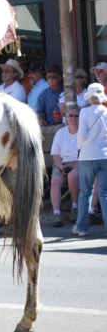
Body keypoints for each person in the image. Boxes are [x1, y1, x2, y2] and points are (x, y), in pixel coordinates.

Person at [73, 84, 107, 236]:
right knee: (104, 193)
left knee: (85, 192)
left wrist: (79, 149)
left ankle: (81, 228)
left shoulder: (85, 112)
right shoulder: (106, 111)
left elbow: (81, 134)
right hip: (105, 155)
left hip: (87, 155)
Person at [50, 108, 81, 227]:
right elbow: (55, 153)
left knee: (73, 176)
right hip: (62, 163)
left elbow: (84, 152)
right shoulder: (60, 132)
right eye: (70, 116)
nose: (73, 118)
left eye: (76, 116)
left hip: (78, 162)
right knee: (54, 181)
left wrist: (75, 165)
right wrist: (60, 166)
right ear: (66, 118)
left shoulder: (83, 132)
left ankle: (75, 207)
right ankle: (56, 213)